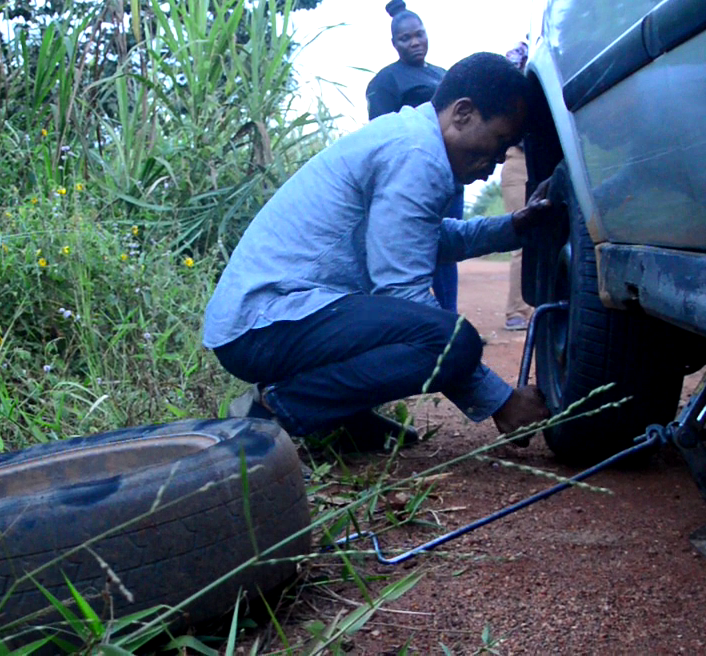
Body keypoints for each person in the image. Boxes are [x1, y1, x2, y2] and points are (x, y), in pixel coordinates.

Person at [205, 52, 554, 450]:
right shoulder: (417, 155)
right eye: (499, 142)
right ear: (462, 114)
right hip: (265, 322)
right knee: (449, 341)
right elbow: (404, 293)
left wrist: (512, 227)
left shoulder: (411, 139)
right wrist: (501, 401)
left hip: (267, 319)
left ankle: (342, 418)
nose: (494, 164)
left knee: (418, 329)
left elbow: (422, 240)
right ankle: (274, 411)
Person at [365, 0, 463, 314]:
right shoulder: (386, 81)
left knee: (447, 250)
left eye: (419, 34)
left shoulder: (445, 76)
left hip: (452, 178)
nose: (415, 42)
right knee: (415, 251)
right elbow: (382, 135)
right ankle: (416, 322)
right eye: (405, 38)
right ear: (394, 43)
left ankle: (448, 320)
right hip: (414, 181)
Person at [500, 41, 534, 331]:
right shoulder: (520, 55)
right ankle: (517, 311)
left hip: (550, 159)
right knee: (522, 236)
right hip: (519, 158)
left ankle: (539, 308)